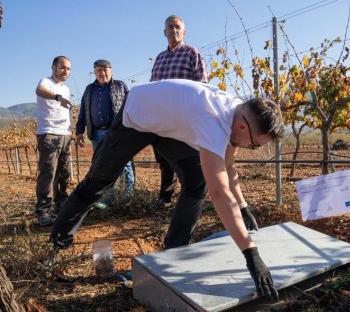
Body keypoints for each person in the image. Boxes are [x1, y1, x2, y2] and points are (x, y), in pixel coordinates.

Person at [50, 79, 284, 299]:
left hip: (167, 127)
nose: (251, 148)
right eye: (254, 146)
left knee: (196, 180)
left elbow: (229, 167)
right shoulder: (213, 120)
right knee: (99, 181)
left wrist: (242, 206)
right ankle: (59, 238)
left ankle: (175, 250)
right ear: (243, 126)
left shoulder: (236, 113)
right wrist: (251, 254)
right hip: (137, 117)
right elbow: (220, 192)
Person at [149, 14, 208, 212]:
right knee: (165, 162)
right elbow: (152, 88)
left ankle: (189, 202)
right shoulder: (159, 58)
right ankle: (165, 200)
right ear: (164, 31)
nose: (173, 30)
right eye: (170, 27)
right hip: (162, 120)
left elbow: (202, 86)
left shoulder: (192, 53)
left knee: (187, 162)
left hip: (184, 120)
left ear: (184, 32)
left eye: (177, 27)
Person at [75, 59, 134, 208]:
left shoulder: (120, 86)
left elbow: (131, 107)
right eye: (99, 70)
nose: (102, 73)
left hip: (117, 132)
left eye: (105, 70)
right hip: (96, 134)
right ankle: (109, 198)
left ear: (111, 70)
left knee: (124, 163)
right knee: (101, 167)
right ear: (94, 72)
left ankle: (128, 197)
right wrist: (79, 131)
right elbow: (83, 111)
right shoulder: (89, 90)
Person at [34, 56, 72, 226]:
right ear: (54, 67)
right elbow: (39, 91)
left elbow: (66, 112)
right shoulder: (46, 82)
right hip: (49, 133)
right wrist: (57, 97)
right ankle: (43, 211)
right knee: (48, 172)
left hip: (64, 134)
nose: (66, 71)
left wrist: (71, 130)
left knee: (64, 173)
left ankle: (61, 206)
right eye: (63, 68)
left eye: (68, 69)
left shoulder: (67, 89)